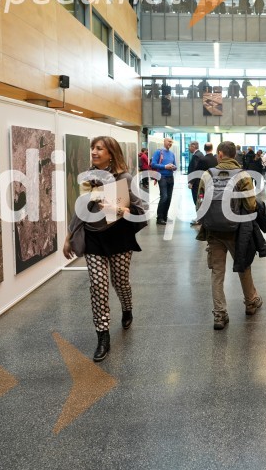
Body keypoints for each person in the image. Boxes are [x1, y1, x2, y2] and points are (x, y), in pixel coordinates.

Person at [62, 136, 146, 362]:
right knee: (98, 285)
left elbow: (141, 209)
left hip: (119, 237)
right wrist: (69, 236)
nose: (94, 152)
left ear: (111, 153)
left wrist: (118, 209)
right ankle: (103, 336)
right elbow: (81, 207)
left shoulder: (125, 178)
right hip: (92, 237)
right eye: (93, 148)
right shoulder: (89, 177)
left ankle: (127, 308)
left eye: (99, 148)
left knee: (120, 282)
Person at [196, 142, 264, 330]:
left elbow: (199, 203)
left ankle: (219, 314)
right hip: (236, 231)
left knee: (217, 272)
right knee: (243, 265)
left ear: (220, 154)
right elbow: (251, 206)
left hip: (214, 232)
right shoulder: (243, 175)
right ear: (234, 155)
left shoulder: (207, 174)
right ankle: (251, 302)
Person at [151, 137, 177, 225]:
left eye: (171, 142)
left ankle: (165, 216)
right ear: (164, 142)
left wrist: (173, 167)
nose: (170, 143)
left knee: (169, 197)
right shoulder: (158, 152)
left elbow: (175, 166)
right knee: (164, 196)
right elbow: (153, 164)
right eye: (169, 141)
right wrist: (165, 167)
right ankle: (159, 217)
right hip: (162, 177)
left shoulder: (172, 154)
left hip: (170, 177)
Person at [187, 141, 204, 225]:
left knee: (197, 200)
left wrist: (191, 182)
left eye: (189, 146)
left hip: (196, 182)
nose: (188, 148)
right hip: (198, 181)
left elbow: (195, 170)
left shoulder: (196, 156)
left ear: (193, 146)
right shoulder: (199, 154)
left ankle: (199, 218)